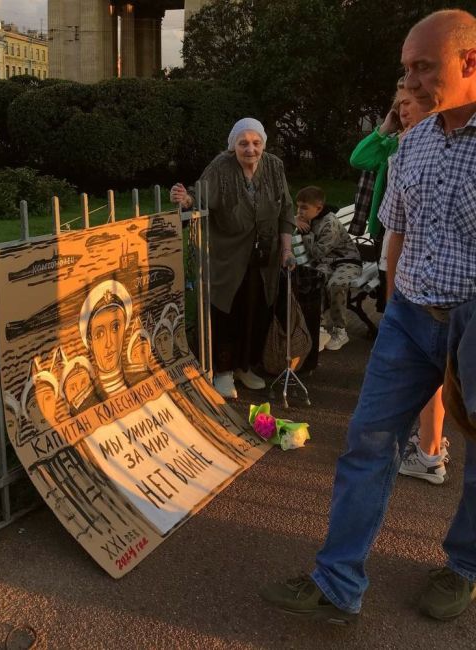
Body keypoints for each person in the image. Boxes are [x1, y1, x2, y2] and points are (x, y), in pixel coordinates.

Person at [260, 9, 476, 623]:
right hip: (409, 315)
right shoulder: (410, 144)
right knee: (368, 442)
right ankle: (337, 582)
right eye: (405, 68)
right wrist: (390, 296)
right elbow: (399, 231)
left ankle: (464, 567)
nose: (409, 81)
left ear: (470, 63)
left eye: (422, 67)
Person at [351, 81, 450, 484]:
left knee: (423, 358)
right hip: (392, 242)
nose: (402, 110)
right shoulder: (397, 145)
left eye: (408, 103)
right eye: (398, 104)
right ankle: (430, 443)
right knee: (428, 359)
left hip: (411, 254)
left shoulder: (435, 148)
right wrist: (386, 126)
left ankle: (428, 447)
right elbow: (360, 158)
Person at [170, 117, 296, 399]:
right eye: (243, 143)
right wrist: (185, 199)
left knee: (258, 310)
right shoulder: (221, 167)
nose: (250, 149)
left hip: (265, 256)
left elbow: (286, 210)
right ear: (233, 146)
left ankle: (245, 366)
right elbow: (198, 196)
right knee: (227, 310)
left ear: (263, 144)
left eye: (256, 143)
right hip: (228, 256)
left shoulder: (274, 166)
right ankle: (223, 370)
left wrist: (286, 250)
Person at [295, 186, 362, 351]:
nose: (300, 211)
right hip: (326, 262)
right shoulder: (309, 217)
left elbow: (317, 253)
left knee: (335, 284)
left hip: (347, 262)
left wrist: (306, 234)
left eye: (304, 208)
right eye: (298, 206)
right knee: (314, 282)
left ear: (318, 208)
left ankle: (340, 331)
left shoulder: (330, 223)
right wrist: (295, 221)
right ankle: (320, 327)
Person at [79, 280, 132, 398]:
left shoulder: (140, 378)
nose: (109, 343)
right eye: (99, 334)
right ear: (90, 342)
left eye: (116, 327)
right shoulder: (89, 400)